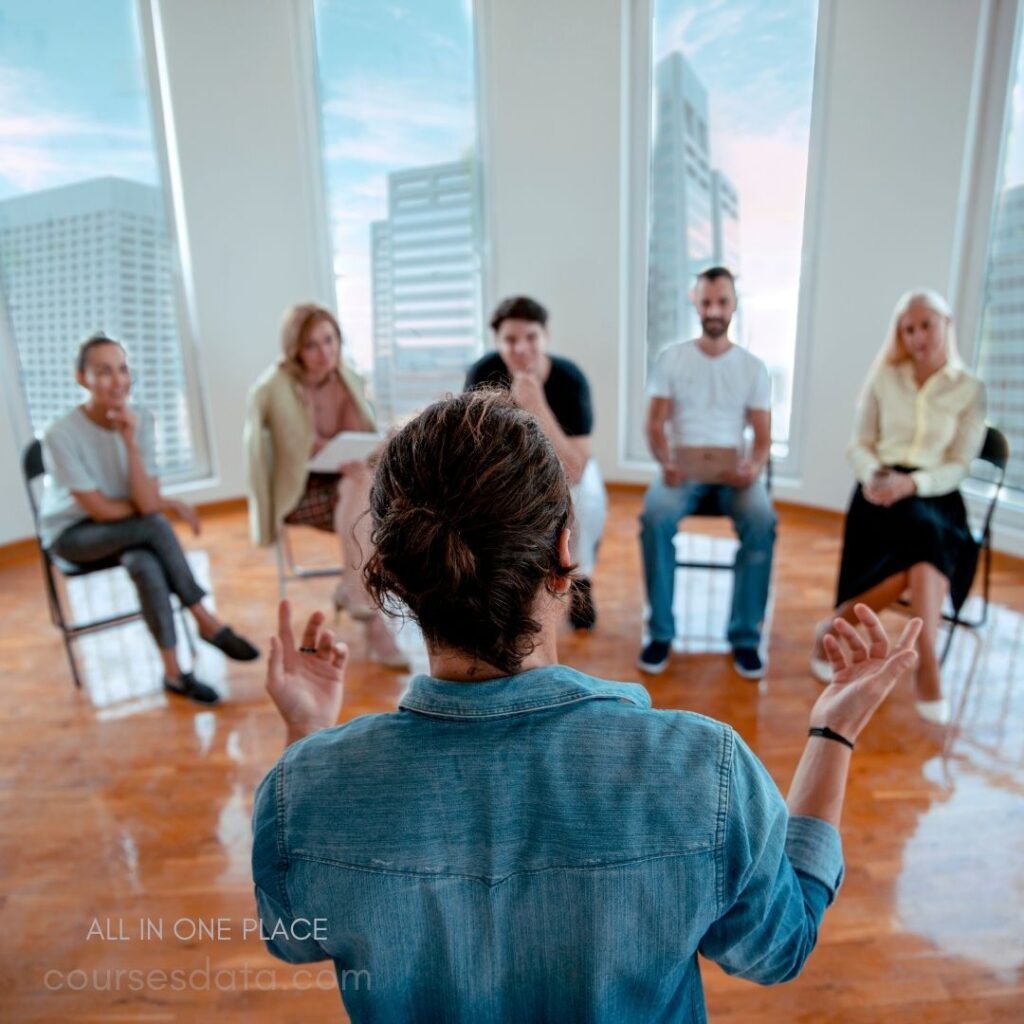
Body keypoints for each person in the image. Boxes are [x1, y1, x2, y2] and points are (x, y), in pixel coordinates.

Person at [252, 388, 922, 1022]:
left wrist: (309, 736)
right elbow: (779, 947)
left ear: (391, 578)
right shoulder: (704, 772)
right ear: (565, 552)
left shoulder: (302, 791)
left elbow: (292, 932)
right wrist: (833, 731)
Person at [38, 334, 259, 704]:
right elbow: (99, 509)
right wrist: (163, 505)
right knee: (154, 526)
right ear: (81, 378)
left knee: (144, 561)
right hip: (72, 535)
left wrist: (129, 441)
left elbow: (143, 501)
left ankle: (174, 673)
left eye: (122, 369)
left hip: (127, 532)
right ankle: (205, 619)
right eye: (103, 371)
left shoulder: (140, 420)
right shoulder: (60, 433)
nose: (118, 379)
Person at [811, 289, 987, 726]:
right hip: (880, 489)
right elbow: (860, 445)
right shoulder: (884, 378)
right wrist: (874, 475)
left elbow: (959, 465)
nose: (918, 335)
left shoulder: (970, 388)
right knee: (924, 543)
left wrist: (914, 483)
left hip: (936, 492)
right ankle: (926, 664)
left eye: (926, 324)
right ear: (900, 336)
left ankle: (840, 626)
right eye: (909, 329)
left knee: (928, 533)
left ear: (946, 324)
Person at [243, 303, 407, 669]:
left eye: (330, 340)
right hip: (298, 490)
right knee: (366, 503)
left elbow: (360, 436)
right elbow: (282, 450)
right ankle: (363, 604)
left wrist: (352, 453)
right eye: (312, 345)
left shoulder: (345, 378)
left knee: (359, 487)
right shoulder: (273, 388)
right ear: (295, 349)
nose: (324, 352)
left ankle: (353, 591)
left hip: (345, 484)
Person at [638, 266, 776, 679]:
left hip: (734, 474)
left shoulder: (753, 367)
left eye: (722, 302)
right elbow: (654, 424)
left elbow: (763, 436)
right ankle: (661, 632)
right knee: (654, 517)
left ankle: (745, 637)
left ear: (734, 305)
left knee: (763, 520)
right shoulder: (672, 359)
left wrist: (753, 466)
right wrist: (666, 463)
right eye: (707, 302)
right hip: (683, 473)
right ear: (695, 303)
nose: (714, 310)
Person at [465, 295, 607, 630]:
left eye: (531, 338)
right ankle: (496, 588)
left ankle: (581, 578)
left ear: (546, 337)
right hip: (508, 467)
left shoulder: (569, 379)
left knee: (586, 499)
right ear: (497, 342)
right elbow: (473, 447)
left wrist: (536, 406)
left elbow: (576, 468)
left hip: (563, 465)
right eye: (510, 340)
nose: (521, 349)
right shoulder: (484, 373)